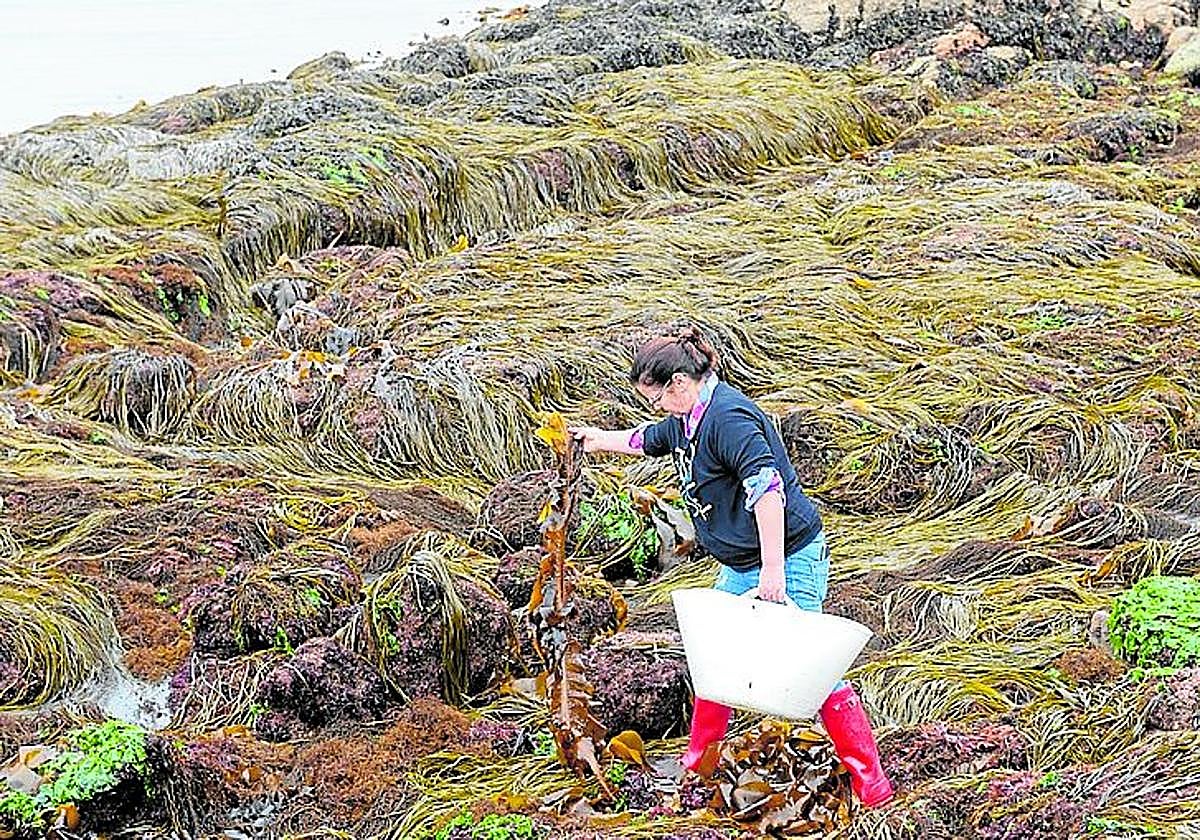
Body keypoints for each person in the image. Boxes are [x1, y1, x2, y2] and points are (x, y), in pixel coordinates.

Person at [569, 326, 894, 808]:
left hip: (785, 557)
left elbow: (768, 492)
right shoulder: (689, 418)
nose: (656, 406)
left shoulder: (730, 420)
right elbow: (648, 440)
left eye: (656, 396)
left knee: (812, 666)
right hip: (742, 561)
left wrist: (773, 572)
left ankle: (873, 788)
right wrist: (599, 441)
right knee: (715, 659)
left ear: (680, 382)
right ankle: (698, 768)